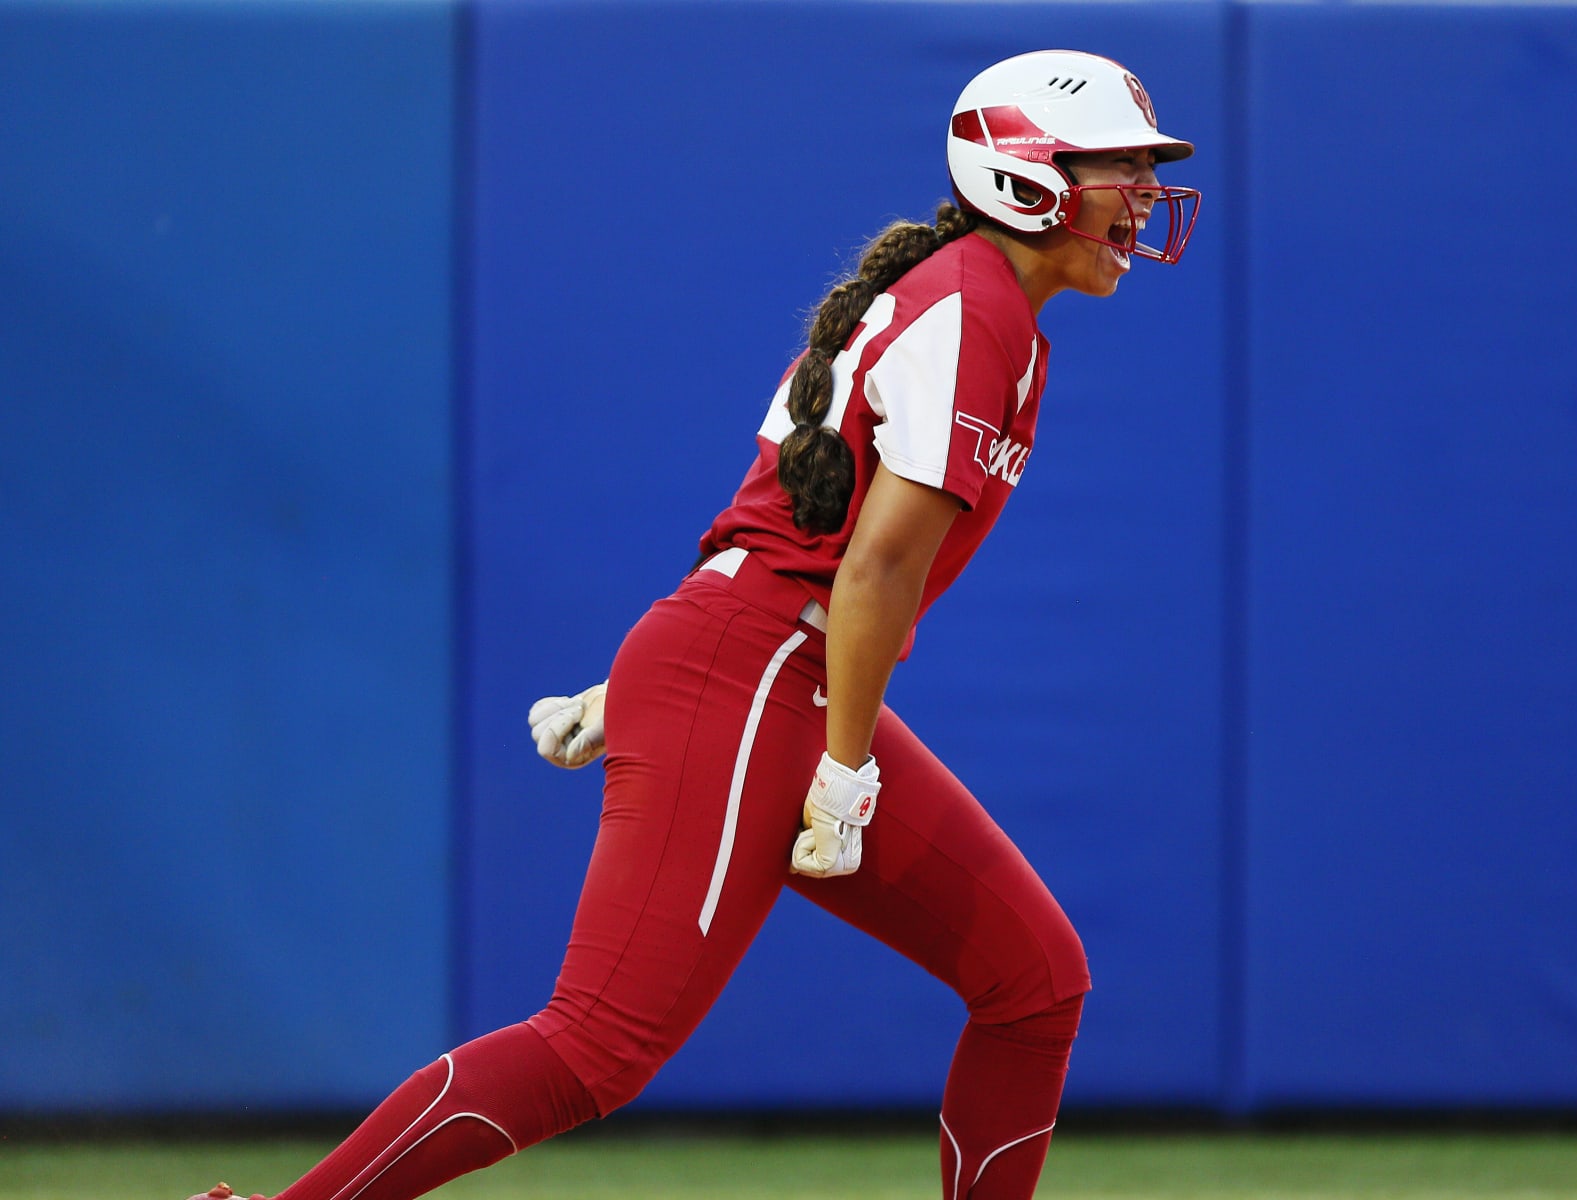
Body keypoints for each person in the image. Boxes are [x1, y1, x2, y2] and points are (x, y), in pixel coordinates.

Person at [189, 48, 1198, 1200]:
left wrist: (656, 690)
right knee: (595, 1046)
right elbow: (870, 570)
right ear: (1027, 179)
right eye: (1120, 166)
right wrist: (846, 768)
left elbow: (788, 520)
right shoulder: (973, 311)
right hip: (767, 670)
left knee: (1035, 979)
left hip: (758, 663)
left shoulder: (968, 301)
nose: (1143, 194)